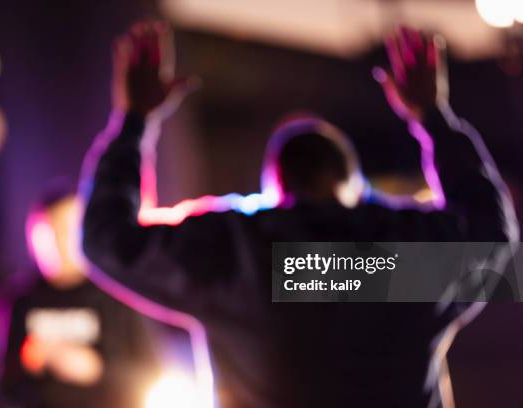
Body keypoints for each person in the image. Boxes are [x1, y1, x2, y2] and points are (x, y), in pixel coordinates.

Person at [81, 22, 518, 407]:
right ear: (354, 185)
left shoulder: (237, 250)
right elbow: (495, 238)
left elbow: (107, 239)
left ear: (276, 189)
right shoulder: (410, 252)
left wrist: (134, 121)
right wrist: (433, 117)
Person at [0, 185, 158, 407]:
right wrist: (29, 362)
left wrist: (95, 370)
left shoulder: (115, 294)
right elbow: (0, 384)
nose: (60, 241)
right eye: (52, 230)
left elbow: (151, 374)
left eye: (68, 229)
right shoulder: (19, 299)